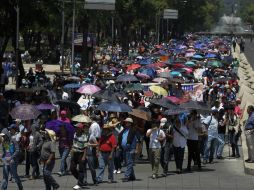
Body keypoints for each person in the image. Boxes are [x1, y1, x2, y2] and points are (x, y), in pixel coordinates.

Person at [118, 117, 140, 182]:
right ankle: (132, 176)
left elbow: (138, 140)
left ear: (130, 123)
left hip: (131, 148)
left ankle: (126, 176)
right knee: (128, 163)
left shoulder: (134, 130)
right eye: (125, 122)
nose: (125, 123)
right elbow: (120, 138)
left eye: (127, 122)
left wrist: (136, 149)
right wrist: (119, 146)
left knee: (129, 163)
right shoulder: (124, 130)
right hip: (124, 149)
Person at [70, 123, 89, 189]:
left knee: (81, 169)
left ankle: (79, 184)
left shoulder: (84, 136)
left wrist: (84, 156)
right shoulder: (75, 134)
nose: (76, 129)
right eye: (75, 127)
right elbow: (74, 143)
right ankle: (81, 180)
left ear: (80, 129)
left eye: (77, 128)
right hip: (75, 153)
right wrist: (72, 150)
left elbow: (86, 147)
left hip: (81, 154)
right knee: (72, 168)